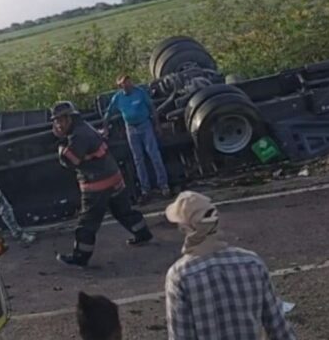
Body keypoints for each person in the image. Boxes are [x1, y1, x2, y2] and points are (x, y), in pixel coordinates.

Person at [165, 191, 296, 339]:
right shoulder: (252, 263)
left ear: (185, 229)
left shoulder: (180, 275)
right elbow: (279, 328)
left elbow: (181, 335)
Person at [51, 101, 152, 267]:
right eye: (56, 121)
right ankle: (142, 233)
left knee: (87, 222)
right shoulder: (85, 127)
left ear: (69, 118)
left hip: (96, 184)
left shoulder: (78, 136)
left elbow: (72, 160)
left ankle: (81, 256)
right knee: (123, 210)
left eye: (60, 120)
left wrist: (61, 147)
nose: (58, 125)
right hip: (113, 176)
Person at [102, 75, 169, 202]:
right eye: (125, 83)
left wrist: (157, 125)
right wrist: (105, 127)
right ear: (120, 86)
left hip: (145, 125)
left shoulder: (140, 92)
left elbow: (152, 108)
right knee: (138, 159)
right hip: (131, 128)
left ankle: (163, 185)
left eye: (129, 82)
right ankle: (145, 189)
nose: (128, 84)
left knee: (154, 155)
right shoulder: (118, 98)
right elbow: (108, 113)